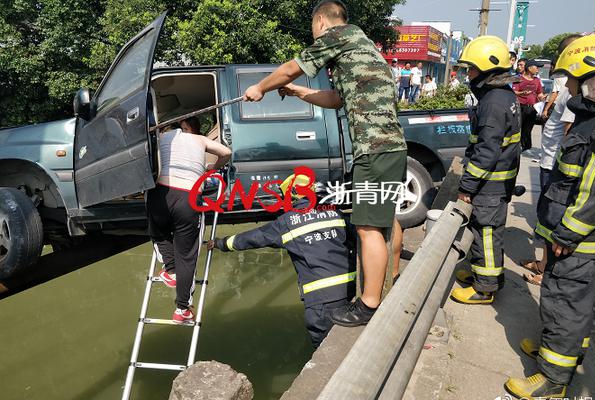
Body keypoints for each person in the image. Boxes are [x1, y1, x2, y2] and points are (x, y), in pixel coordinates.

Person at [243, 0, 407, 326]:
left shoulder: (336, 36)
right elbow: (336, 99)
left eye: (313, 28)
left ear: (320, 21)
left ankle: (369, 304)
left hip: (374, 151)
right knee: (384, 219)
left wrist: (260, 88)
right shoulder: (362, 45)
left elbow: (292, 66)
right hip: (391, 148)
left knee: (367, 227)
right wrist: (298, 93)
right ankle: (390, 281)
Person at [505, 34, 595, 399]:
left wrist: (567, 233)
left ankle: (552, 380)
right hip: (576, 237)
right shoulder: (590, 119)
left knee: (565, 303)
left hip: (580, 240)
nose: (567, 89)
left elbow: (594, 192)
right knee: (577, 305)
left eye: (571, 81)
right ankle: (565, 356)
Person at [208, 174, 356, 347]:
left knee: (327, 350)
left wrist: (221, 243)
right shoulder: (333, 212)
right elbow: (359, 236)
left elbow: (253, 238)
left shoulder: (286, 223)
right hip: (351, 291)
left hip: (322, 302)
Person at [450, 35, 521, 304]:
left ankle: (485, 289)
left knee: (487, 234)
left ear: (488, 68)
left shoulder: (493, 102)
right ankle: (484, 275)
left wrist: (467, 186)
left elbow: (486, 151)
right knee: (485, 232)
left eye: (472, 68)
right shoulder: (503, 95)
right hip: (497, 181)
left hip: (490, 183)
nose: (469, 74)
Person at [147, 116, 231, 324]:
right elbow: (226, 152)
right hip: (188, 196)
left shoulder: (161, 137)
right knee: (186, 255)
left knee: (159, 232)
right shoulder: (200, 140)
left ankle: (171, 271)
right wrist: (212, 168)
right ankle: (182, 309)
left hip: (159, 193)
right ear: (191, 130)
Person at [521, 35, 583, 287]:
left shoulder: (573, 91)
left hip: (556, 165)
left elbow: (570, 132)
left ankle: (548, 271)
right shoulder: (570, 86)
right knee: (547, 221)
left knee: (551, 219)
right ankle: (544, 264)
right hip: (550, 161)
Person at [513, 58, 545, 153]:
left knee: (528, 128)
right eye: (536, 67)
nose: (538, 70)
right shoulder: (518, 79)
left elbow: (539, 93)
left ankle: (526, 147)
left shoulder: (537, 80)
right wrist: (522, 93)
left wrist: (543, 97)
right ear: (530, 68)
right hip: (520, 107)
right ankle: (516, 146)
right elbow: (514, 92)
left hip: (532, 108)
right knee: (518, 128)